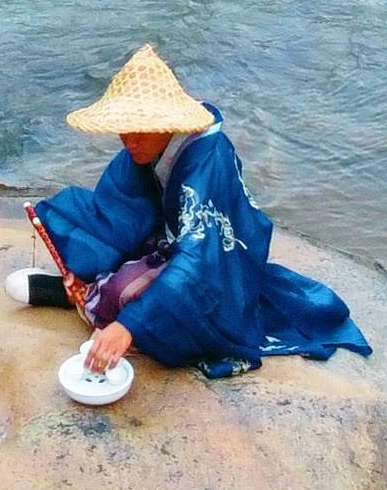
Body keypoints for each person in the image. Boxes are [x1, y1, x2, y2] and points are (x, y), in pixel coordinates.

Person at [21, 45, 367, 381]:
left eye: (138, 128)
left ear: (166, 122)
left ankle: (88, 297)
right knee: (72, 218)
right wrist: (81, 247)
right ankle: (86, 286)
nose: (129, 140)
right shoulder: (147, 145)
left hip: (219, 260)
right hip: (175, 234)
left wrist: (128, 327)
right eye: (123, 127)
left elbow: (201, 257)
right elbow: (117, 208)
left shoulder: (205, 161)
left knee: (128, 297)